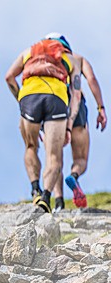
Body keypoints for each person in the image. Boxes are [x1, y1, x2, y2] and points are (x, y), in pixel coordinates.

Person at [5, 34, 80, 213]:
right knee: (54, 156)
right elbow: (76, 94)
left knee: (31, 146)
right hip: (56, 98)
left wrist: (21, 102)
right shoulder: (70, 59)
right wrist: (69, 125)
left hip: (29, 98)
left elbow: (9, 77)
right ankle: (46, 197)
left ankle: (35, 189)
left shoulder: (28, 52)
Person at [46, 34, 107, 209]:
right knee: (81, 158)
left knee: (54, 157)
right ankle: (74, 175)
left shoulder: (44, 63)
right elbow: (92, 79)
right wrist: (100, 108)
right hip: (77, 105)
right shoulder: (77, 59)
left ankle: (58, 202)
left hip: (52, 106)